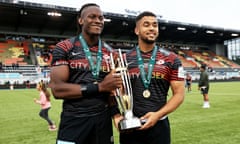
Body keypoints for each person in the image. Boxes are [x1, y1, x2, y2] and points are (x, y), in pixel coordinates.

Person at [48, 3, 122, 144]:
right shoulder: (64, 47)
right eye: (92, 17)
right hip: (74, 121)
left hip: (102, 121)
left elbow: (111, 91)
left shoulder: (110, 53)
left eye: (101, 18)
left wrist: (116, 114)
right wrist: (100, 87)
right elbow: (57, 89)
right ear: (80, 20)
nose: (98, 21)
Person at [116, 11, 185, 144]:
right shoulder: (124, 59)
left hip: (159, 126)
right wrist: (117, 116)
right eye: (146, 25)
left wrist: (158, 115)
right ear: (137, 30)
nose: (152, 28)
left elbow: (179, 94)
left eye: (155, 25)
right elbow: (117, 92)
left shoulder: (171, 59)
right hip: (131, 127)